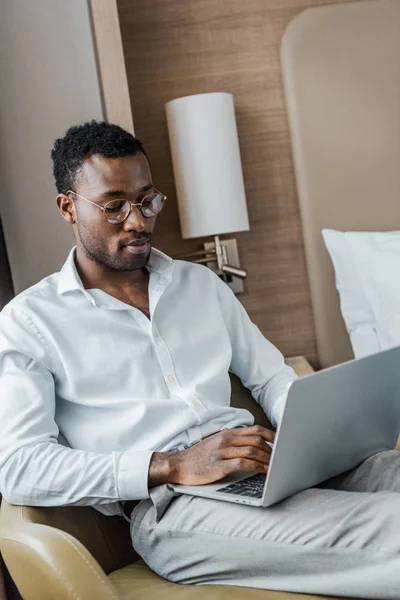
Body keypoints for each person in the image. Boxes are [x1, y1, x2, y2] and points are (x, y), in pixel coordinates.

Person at [1, 121, 400, 600]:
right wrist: (170, 465)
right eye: (114, 206)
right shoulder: (29, 322)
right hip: (173, 510)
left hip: (272, 467)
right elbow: (20, 466)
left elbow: (272, 377)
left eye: (148, 200)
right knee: (388, 528)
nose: (138, 220)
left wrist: (319, 434)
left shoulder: (201, 285)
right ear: (68, 206)